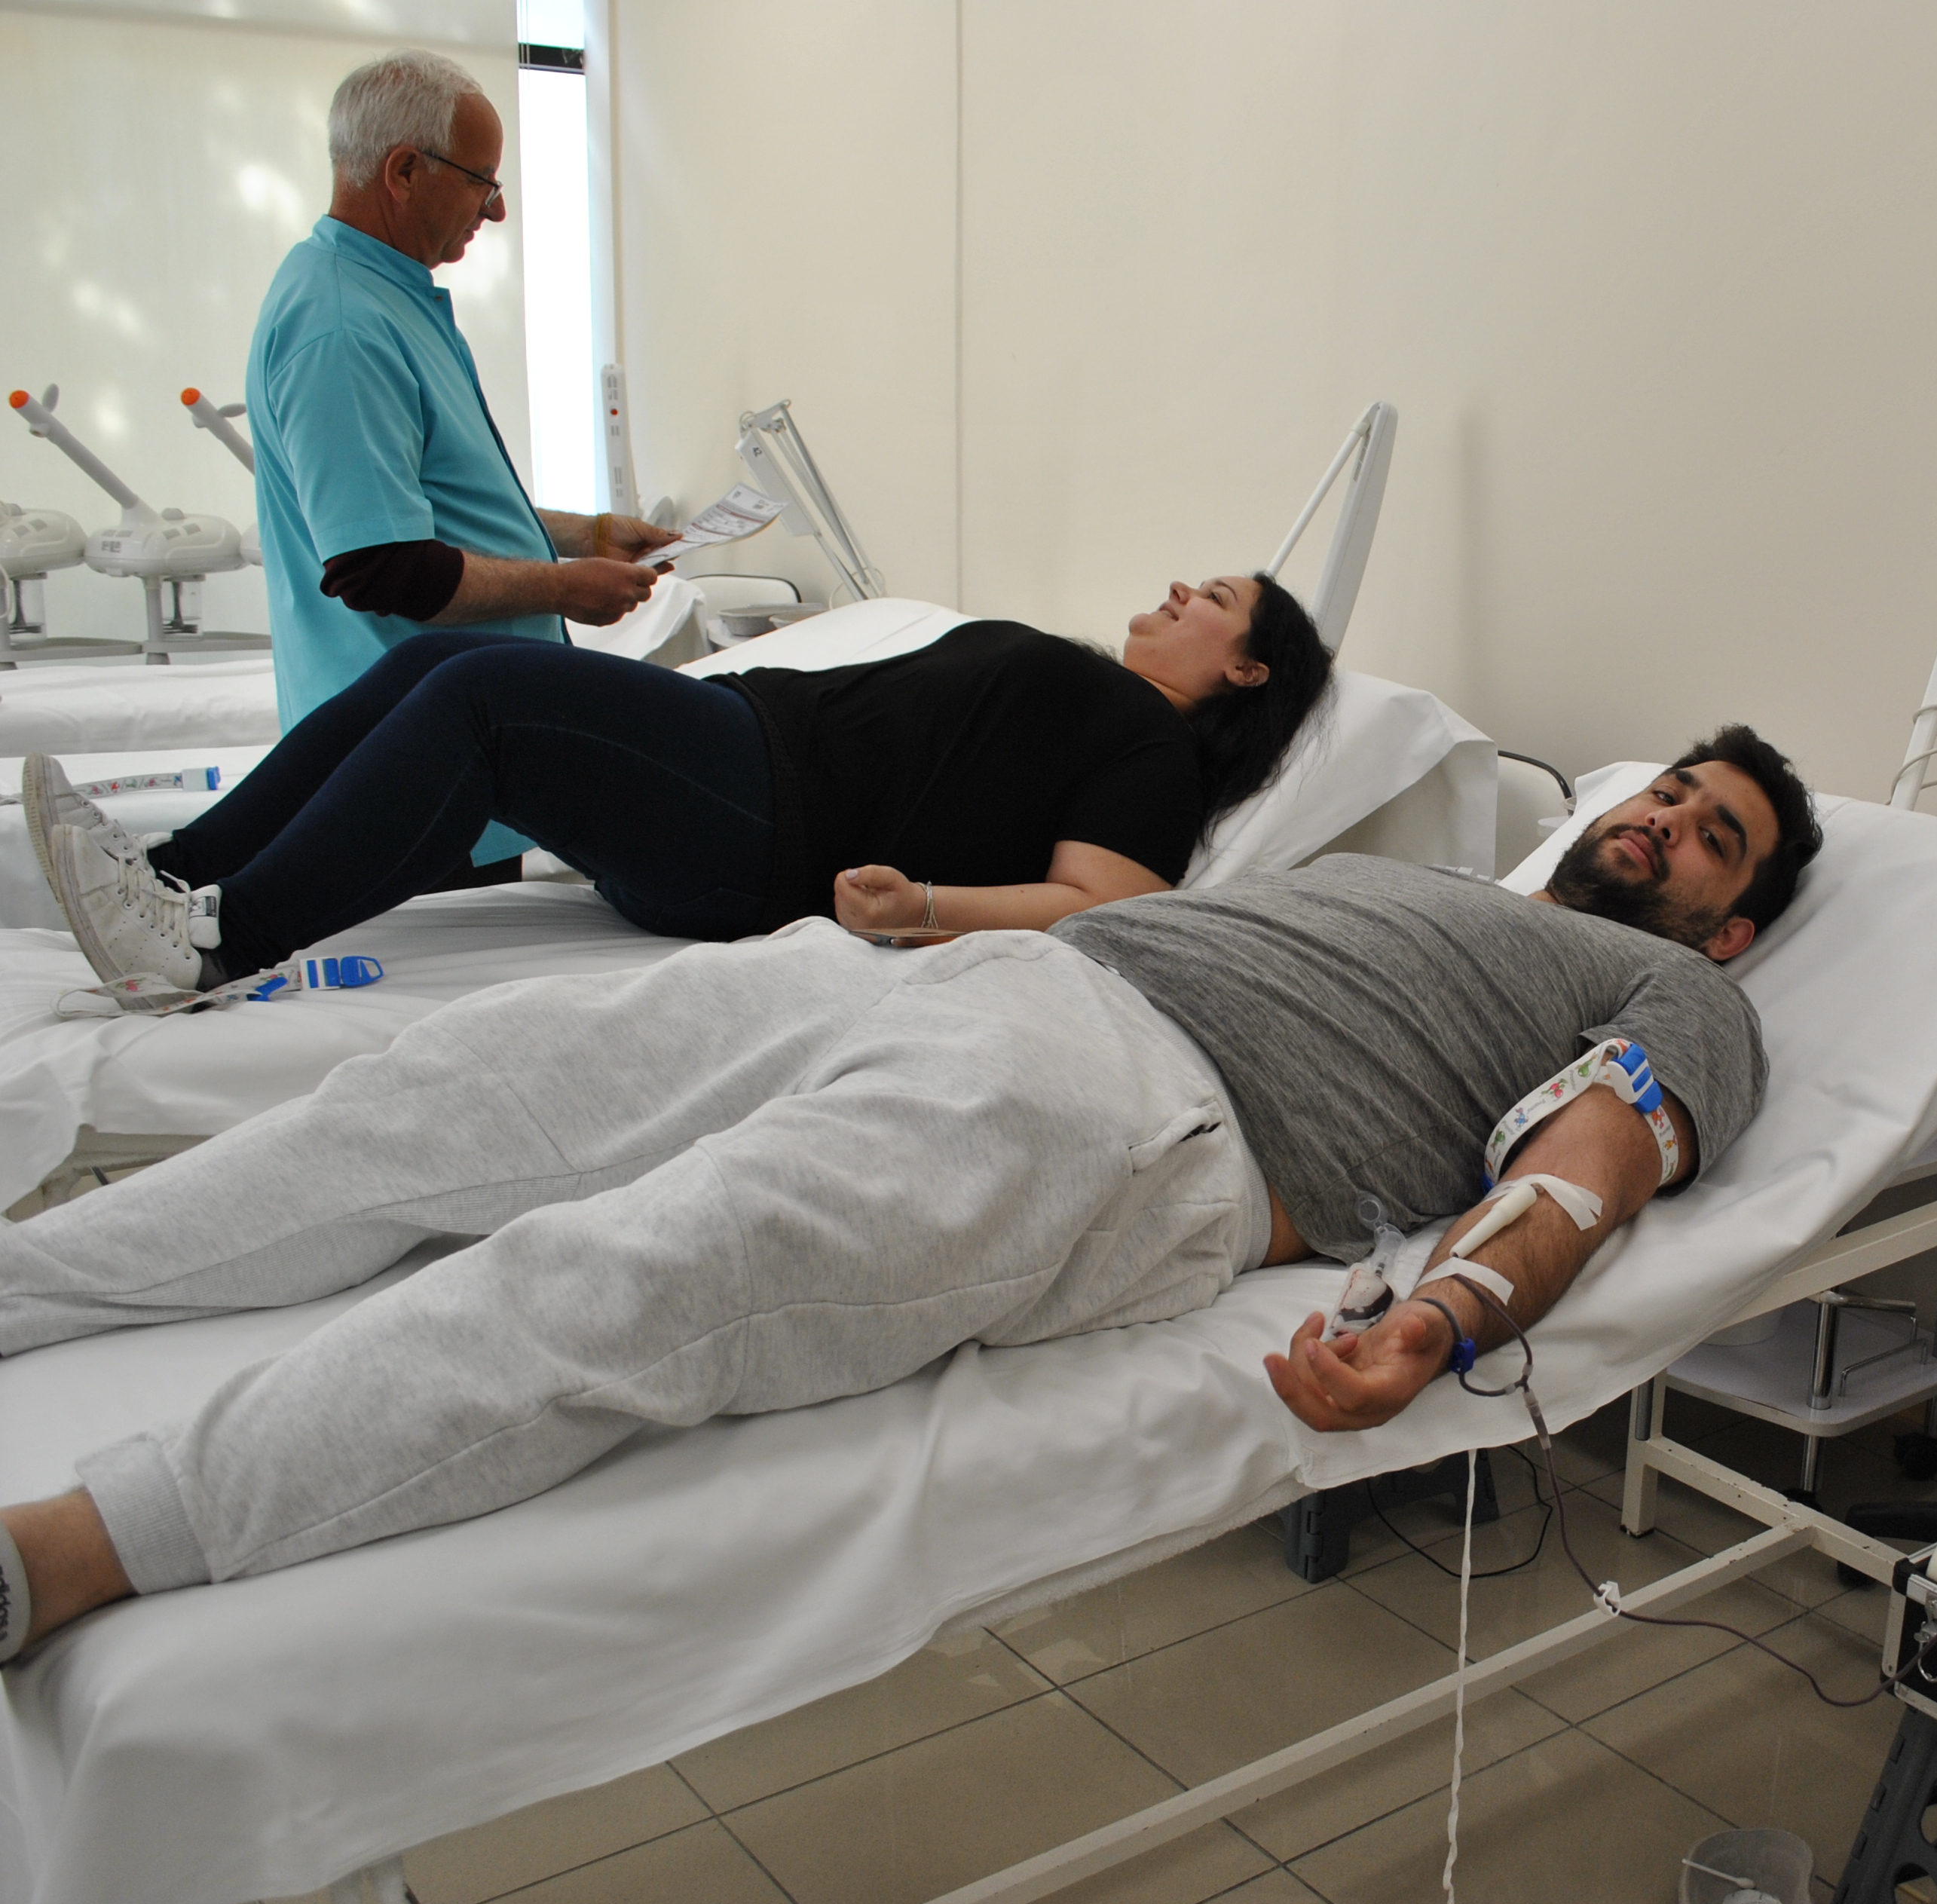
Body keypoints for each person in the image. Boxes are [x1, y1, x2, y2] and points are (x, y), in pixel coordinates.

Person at [0, 729, 1825, 1658]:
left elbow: (1589, 1167)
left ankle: (69, 1553)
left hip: (1143, 1112)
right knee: (437, 1095)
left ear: (1730, 922)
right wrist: (936, 922)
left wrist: (1448, 1313)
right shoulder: (1443, 884)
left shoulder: (1679, 997)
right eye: (1669, 789)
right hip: (961, 982)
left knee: (640, 1272)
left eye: (1710, 835)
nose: (1663, 820)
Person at [24, 572, 1330, 990]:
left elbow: (1104, 905)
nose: (1179, 588)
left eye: (1214, 598)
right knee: (437, 661)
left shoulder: (1154, 753)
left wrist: (924, 905)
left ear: (1249, 670)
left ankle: (215, 946)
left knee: (484, 700)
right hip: (741, 762)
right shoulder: (1103, 695)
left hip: (765, 822)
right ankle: (178, 877)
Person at [250, 49, 681, 874]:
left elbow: (423, 501)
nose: (499, 209)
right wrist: (564, 588)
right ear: (404, 172)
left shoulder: (385, 294)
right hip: (411, 761)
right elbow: (385, 569)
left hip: (453, 751)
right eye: (483, 182)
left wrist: (583, 534)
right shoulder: (340, 326)